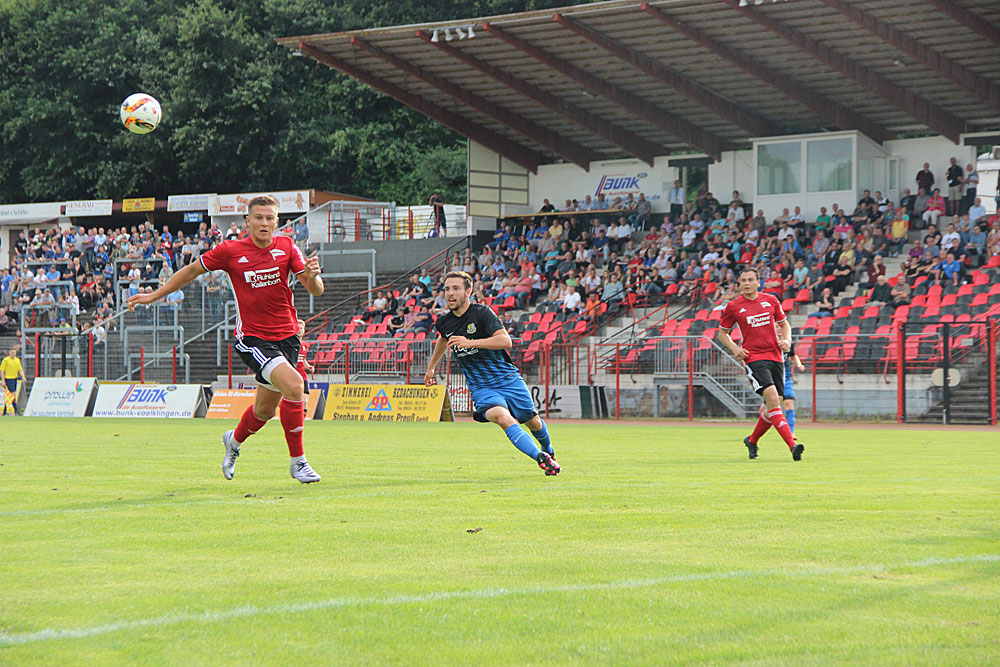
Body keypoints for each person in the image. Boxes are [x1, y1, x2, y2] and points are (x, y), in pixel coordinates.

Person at [128, 195, 325, 484]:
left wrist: (312, 276)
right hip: (254, 340)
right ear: (248, 221)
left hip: (288, 339)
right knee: (295, 386)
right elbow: (191, 270)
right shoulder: (231, 251)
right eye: (259, 217)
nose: (264, 223)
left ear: (277, 222)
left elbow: (316, 290)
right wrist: (153, 295)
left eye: (270, 218)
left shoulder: (286, 246)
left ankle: (232, 441)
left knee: (265, 410)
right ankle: (299, 463)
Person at [424, 271, 560, 476]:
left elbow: (506, 341)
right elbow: (443, 339)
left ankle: (548, 450)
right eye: (447, 289)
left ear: (468, 291)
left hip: (508, 379)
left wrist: (469, 343)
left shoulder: (482, 313)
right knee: (502, 417)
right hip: (481, 387)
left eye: (456, 288)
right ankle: (540, 458)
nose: (450, 294)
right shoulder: (444, 322)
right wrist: (431, 367)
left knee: (533, 421)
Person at [717, 268, 803, 461]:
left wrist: (787, 340)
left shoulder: (771, 300)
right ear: (739, 284)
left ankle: (752, 440)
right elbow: (722, 333)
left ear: (758, 282)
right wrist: (735, 348)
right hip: (754, 358)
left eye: (750, 280)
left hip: (775, 357)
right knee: (773, 399)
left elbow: (784, 324)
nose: (746, 284)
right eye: (743, 281)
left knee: (773, 407)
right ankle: (793, 446)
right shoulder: (733, 306)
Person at [783, 341, 806, 437]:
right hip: (773, 378)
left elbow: (793, 355)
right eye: (777, 326)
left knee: (789, 404)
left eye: (781, 326)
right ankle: (764, 408)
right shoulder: (769, 341)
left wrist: (799, 364)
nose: (779, 328)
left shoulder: (787, 343)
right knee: (770, 408)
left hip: (786, 378)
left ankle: (790, 433)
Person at [2, 347, 27, 416]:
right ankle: (16, 410)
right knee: (13, 394)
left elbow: (20, 370)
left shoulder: (17, 360)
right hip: (8, 379)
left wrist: (23, 376)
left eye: (14, 352)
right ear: (9, 353)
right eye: (12, 352)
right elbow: (2, 371)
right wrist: (3, 381)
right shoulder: (6, 360)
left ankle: (5, 411)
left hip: (14, 379)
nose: (13, 354)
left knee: (10, 396)